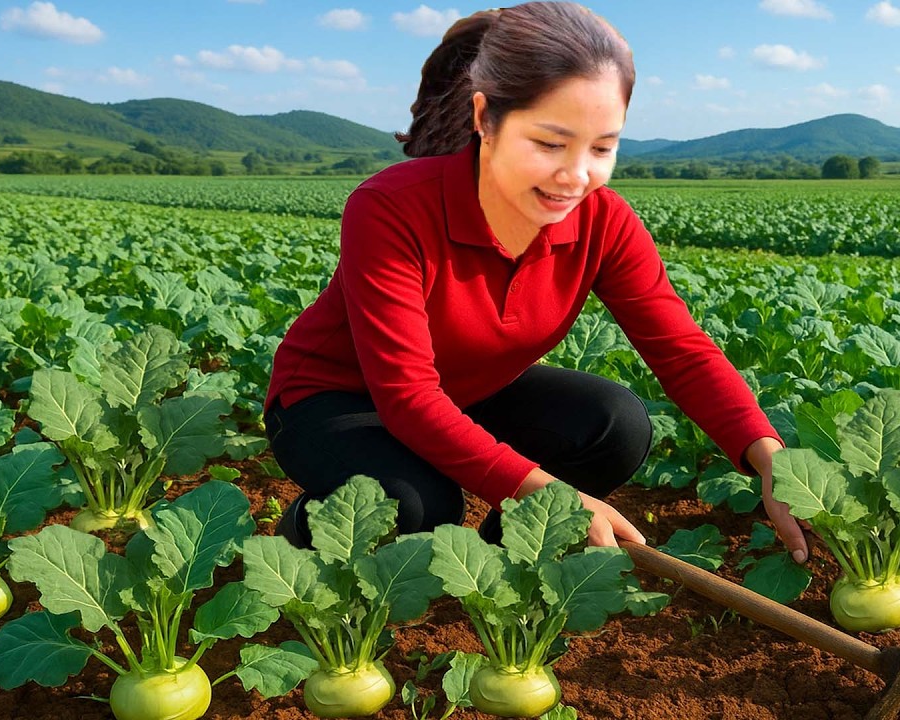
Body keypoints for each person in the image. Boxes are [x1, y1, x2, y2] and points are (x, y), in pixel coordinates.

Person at [262, 1, 809, 562]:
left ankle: (501, 564)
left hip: (466, 393)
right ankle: (307, 532)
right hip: (335, 400)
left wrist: (768, 456)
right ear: (486, 120)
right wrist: (552, 495)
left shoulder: (603, 219)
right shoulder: (392, 207)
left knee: (613, 427)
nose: (575, 175)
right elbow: (405, 395)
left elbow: (682, 351)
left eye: (600, 147)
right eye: (549, 143)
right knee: (415, 505)